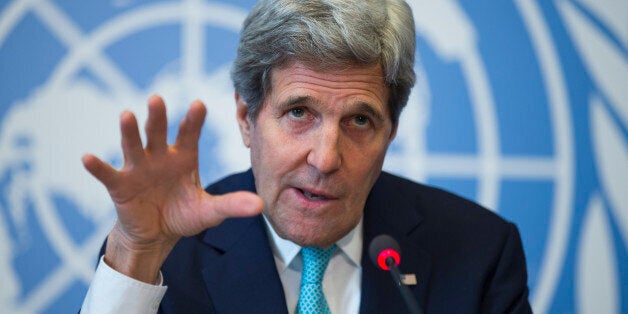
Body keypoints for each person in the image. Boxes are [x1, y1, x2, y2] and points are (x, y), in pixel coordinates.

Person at [80, 0, 532, 313]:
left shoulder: (479, 252)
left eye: (359, 121)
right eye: (299, 112)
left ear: (391, 131)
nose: (326, 158)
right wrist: (137, 251)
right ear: (245, 116)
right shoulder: (166, 255)